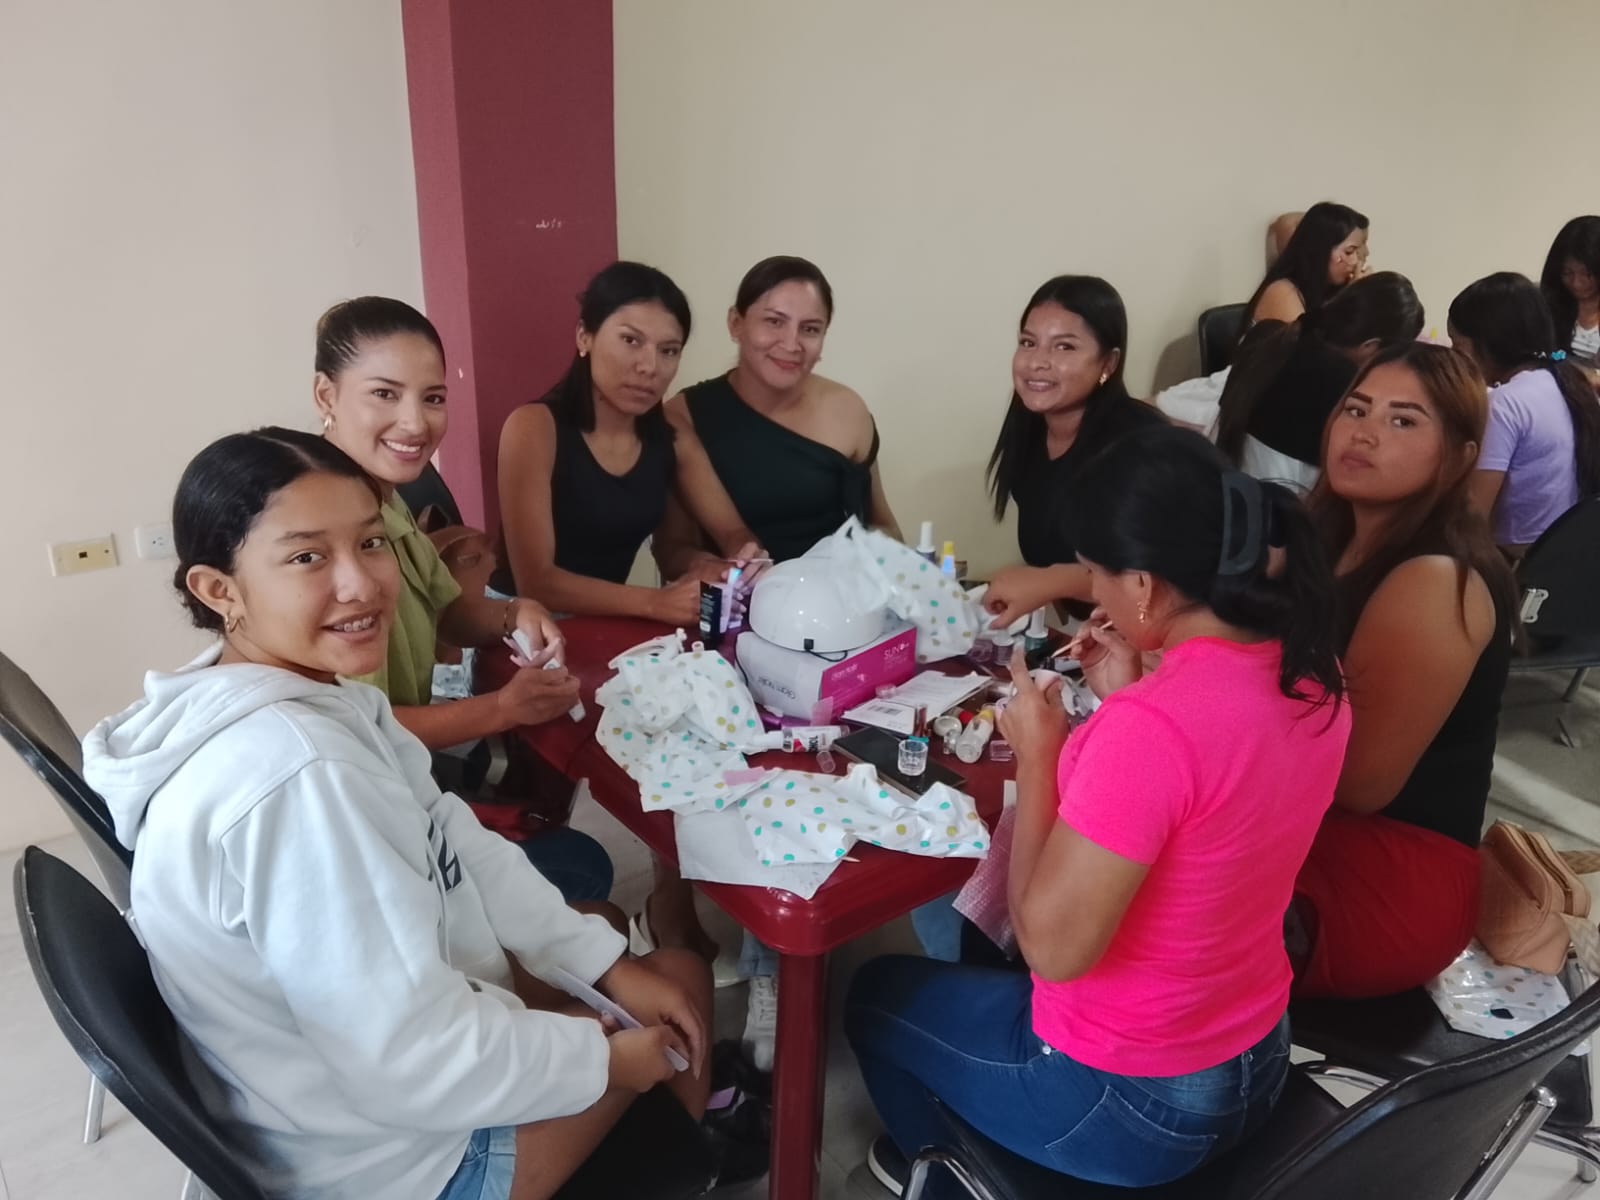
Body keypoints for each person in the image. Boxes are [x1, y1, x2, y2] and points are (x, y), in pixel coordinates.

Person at [83, 428, 711, 1200]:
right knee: (679, 984)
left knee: (609, 944)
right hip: (394, 1166)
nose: (362, 584)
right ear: (220, 590)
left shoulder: (303, 694)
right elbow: (411, 1061)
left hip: (326, 1096)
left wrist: (604, 968)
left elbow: (455, 836)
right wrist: (606, 1061)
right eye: (307, 557)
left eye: (371, 542)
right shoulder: (300, 777)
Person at [846, 425, 1350, 1193]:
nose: (1094, 592)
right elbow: (1212, 813)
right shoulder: (1315, 677)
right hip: (1258, 1059)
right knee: (973, 978)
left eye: (1094, 573)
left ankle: (954, 1178)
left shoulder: (1154, 728)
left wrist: (1041, 758)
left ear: (1143, 585)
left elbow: (1051, 950)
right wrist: (1128, 698)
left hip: (1133, 1104)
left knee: (875, 995)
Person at [313, 297, 615, 904]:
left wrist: (512, 612)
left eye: (432, 398)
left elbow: (446, 610)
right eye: (384, 394)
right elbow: (360, 724)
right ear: (326, 396)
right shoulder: (329, 528)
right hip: (358, 814)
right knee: (583, 873)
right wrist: (504, 709)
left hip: (405, 778)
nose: (414, 423)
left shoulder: (385, 500)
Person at [1291, 344, 1518, 999]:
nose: (1365, 432)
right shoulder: (1327, 536)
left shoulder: (1435, 580)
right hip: (1307, 826)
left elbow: (1358, 784)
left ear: (1459, 456)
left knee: (1121, 900)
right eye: (1356, 409)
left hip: (1384, 877)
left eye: (1403, 421)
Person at [495, 261, 759, 622]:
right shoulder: (534, 427)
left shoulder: (671, 434)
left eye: (669, 350)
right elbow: (536, 581)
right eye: (631, 340)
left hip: (607, 623)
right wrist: (656, 603)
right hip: (520, 627)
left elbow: (728, 532)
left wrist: (735, 559)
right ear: (584, 336)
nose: (650, 367)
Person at [652, 255, 901, 575]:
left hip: (837, 593)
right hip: (734, 596)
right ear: (736, 323)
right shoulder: (684, 418)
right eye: (774, 322)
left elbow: (885, 527)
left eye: (810, 329)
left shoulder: (847, 410)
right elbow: (671, 549)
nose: (791, 344)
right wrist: (722, 570)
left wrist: (864, 561)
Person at [981, 275, 1166, 628]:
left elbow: (1156, 577)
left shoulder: (1139, 446)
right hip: (1094, 630)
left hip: (1158, 637)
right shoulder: (1031, 428)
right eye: (1028, 342)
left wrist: (1051, 581)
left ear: (1108, 364)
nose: (1037, 362)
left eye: (1064, 347)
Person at [1215, 271, 1425, 491]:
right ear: (1371, 346)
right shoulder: (1341, 380)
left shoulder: (1271, 334)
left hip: (1229, 483)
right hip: (1281, 498)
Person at [1449, 272, 1600, 554]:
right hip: (1568, 549)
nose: (1455, 358)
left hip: (1520, 558)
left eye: (1458, 346)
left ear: (1489, 343)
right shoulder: (1564, 382)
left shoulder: (1506, 403)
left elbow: (1474, 517)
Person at [1242, 201, 1370, 327]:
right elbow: (1312, 339)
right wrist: (1349, 298)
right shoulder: (1282, 291)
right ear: (1319, 250)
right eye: (1349, 252)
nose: (1355, 261)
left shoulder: (1330, 289)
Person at [1539, 215, 1600, 365]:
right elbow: (1542, 355)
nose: (1576, 283)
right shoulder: (1546, 306)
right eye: (1567, 273)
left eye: (1587, 274)